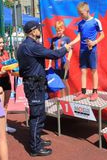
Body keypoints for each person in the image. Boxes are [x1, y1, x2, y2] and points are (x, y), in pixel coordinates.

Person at [17, 21, 71, 157]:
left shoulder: (25, 45)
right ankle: (35, 147)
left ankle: (37, 140)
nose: (40, 31)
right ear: (32, 31)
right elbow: (53, 54)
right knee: (36, 115)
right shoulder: (31, 46)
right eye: (38, 29)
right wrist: (65, 49)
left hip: (35, 84)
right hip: (34, 85)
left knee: (39, 114)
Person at [69, 2, 105, 101]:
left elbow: (102, 35)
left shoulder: (95, 21)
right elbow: (79, 36)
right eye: (79, 14)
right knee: (83, 71)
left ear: (87, 11)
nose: (80, 16)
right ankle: (84, 92)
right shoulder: (80, 23)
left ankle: (95, 92)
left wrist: (94, 42)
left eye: (82, 13)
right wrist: (70, 43)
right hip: (82, 50)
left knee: (93, 71)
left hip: (92, 50)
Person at [0, 35, 16, 133]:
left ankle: (4, 126)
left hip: (7, 80)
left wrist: (14, 68)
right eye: (0, 43)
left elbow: (10, 66)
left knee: (6, 105)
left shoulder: (6, 53)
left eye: (2, 42)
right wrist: (0, 73)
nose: (2, 44)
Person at [48, 20, 72, 97]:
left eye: (60, 30)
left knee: (64, 81)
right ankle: (62, 99)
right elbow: (51, 53)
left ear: (63, 29)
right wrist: (49, 64)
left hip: (64, 64)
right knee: (59, 83)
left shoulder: (67, 39)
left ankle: (68, 98)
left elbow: (70, 51)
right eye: (57, 30)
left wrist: (68, 61)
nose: (58, 32)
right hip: (56, 66)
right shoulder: (53, 40)